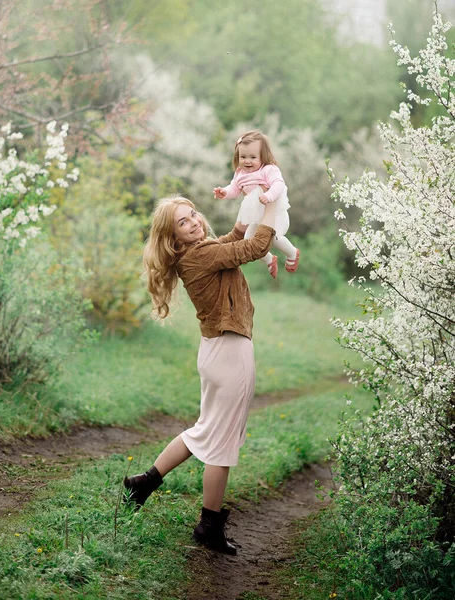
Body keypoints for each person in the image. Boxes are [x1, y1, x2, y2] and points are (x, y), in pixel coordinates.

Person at [124, 195, 277, 555]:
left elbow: (231, 241)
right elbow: (253, 247)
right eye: (183, 222)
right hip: (230, 351)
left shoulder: (197, 253)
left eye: (193, 214)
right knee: (220, 447)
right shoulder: (201, 256)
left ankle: (144, 482)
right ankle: (208, 526)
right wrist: (272, 204)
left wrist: (243, 219)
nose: (194, 221)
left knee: (206, 430)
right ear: (174, 239)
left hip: (216, 352)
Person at [213, 129, 299, 277]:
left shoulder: (268, 170)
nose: (247, 161)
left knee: (274, 237)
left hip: (275, 214)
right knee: (249, 240)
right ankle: (269, 259)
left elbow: (279, 183)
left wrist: (269, 195)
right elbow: (234, 188)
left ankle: (292, 253)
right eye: (243, 156)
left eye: (253, 157)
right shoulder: (240, 173)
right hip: (256, 216)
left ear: (263, 157)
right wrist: (224, 193)